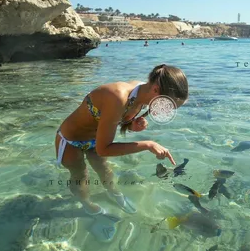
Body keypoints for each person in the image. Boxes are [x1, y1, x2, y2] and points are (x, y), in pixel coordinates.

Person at [54, 64, 188, 238]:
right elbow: (104, 149)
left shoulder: (142, 93)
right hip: (71, 140)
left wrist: (130, 124)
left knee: (105, 171)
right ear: (156, 89)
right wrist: (147, 144)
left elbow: (113, 120)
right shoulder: (117, 96)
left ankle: (114, 193)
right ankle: (88, 205)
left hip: (95, 138)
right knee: (80, 176)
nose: (166, 110)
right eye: (168, 105)